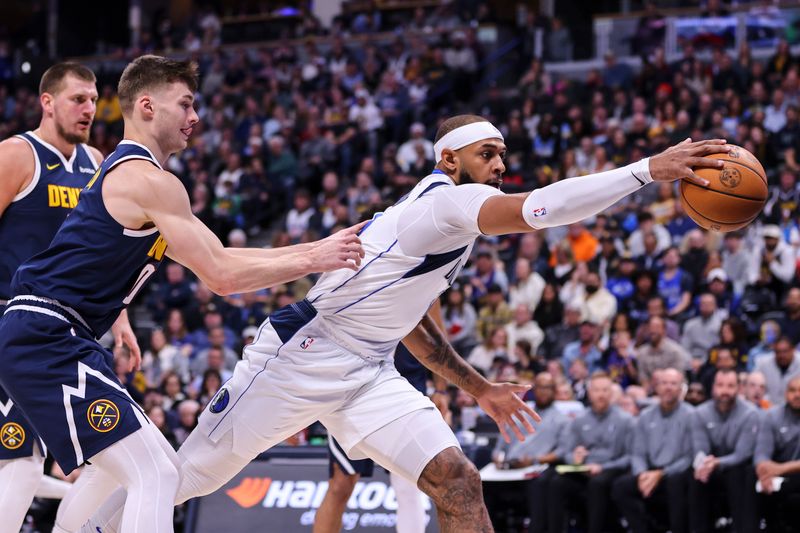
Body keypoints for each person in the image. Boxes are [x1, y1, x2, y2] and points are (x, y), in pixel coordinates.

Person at [86, 116, 728, 533]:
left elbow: (414, 325)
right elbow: (543, 208)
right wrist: (649, 170)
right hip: (303, 351)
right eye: (487, 153)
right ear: (451, 160)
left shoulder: (441, 217)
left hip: (370, 368)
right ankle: (87, 528)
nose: (500, 163)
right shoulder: (448, 203)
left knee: (457, 479)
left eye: (503, 152)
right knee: (185, 477)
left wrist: (477, 388)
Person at [0, 55, 365, 533]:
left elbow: (222, 259)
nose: (196, 118)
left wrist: (318, 250)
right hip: (44, 333)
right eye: (186, 104)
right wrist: (316, 257)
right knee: (148, 472)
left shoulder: (128, 176)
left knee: (117, 480)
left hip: (61, 335)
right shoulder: (148, 180)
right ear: (148, 106)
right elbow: (221, 277)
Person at [0, 62, 115, 533]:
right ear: (47, 102)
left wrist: (121, 324)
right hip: (12, 324)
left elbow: (103, 258)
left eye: (93, 99)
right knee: (21, 462)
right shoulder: (16, 154)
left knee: (102, 460)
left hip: (69, 332)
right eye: (77, 99)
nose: (89, 108)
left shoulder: (100, 165)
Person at [314, 344, 449, 533]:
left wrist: (441, 390)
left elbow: (436, 337)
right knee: (340, 485)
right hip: (353, 386)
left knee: (407, 485)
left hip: (405, 387)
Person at [549, 372, 633, 533]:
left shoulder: (626, 420)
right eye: (596, 390)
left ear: (612, 392)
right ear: (589, 392)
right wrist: (574, 458)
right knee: (556, 482)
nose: (601, 395)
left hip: (611, 470)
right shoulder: (579, 419)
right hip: (584, 469)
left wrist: (604, 467)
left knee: (597, 483)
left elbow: (630, 456)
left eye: (605, 390)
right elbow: (566, 452)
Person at [612, 368, 693, 533]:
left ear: (681, 388)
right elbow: (637, 453)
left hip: (676, 473)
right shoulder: (645, 416)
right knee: (621, 487)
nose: (668, 387)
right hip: (649, 473)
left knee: (676, 482)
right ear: (656, 387)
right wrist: (642, 474)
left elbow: (689, 457)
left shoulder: (692, 415)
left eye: (673, 383)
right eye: (664, 383)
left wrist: (661, 473)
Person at [484, 372, 567, 533]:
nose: (543, 391)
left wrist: (534, 460)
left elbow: (562, 452)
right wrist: (498, 458)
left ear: (554, 390)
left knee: (539, 484)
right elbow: (500, 446)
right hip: (507, 468)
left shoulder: (561, 420)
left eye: (547, 387)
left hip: (534, 468)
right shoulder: (518, 412)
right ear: (534, 390)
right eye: (540, 387)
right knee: (482, 484)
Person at [689, 369, 759, 533]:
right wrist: (703, 465)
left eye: (730, 386)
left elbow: (743, 454)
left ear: (739, 388)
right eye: (720, 385)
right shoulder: (700, 413)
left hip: (738, 467)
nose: (725, 391)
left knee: (739, 474)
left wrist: (716, 463)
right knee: (695, 475)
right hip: (711, 467)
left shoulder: (750, 413)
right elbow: (699, 448)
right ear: (713, 387)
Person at [754, 375, 800, 533]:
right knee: (747, 475)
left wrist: (781, 469)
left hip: (792, 472)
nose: (797, 395)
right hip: (775, 475)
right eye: (792, 390)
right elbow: (761, 451)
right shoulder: (772, 416)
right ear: (785, 393)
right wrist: (763, 470)